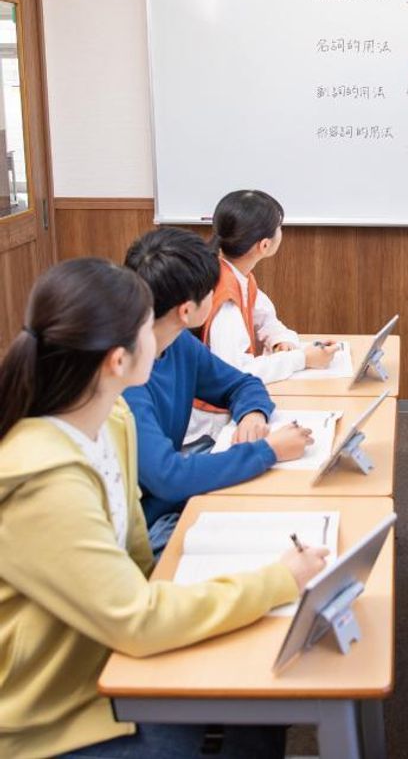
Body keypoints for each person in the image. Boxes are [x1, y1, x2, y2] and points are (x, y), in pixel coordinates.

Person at [0, 258, 326, 758]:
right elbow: (138, 620)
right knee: (253, 706)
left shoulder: (111, 420)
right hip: (58, 718)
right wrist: (277, 580)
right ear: (118, 361)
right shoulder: (45, 480)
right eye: (146, 327)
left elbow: (136, 568)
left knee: (262, 705)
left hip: (112, 662)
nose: (160, 337)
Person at [123, 227, 313, 555]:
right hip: (144, 523)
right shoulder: (126, 378)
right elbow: (168, 478)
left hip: (172, 494)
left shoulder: (177, 342)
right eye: (211, 290)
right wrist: (268, 451)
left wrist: (252, 413)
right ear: (187, 310)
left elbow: (242, 383)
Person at [187, 189, 340, 439]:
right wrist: (302, 358)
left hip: (231, 408)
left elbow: (267, 320)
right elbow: (238, 373)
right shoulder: (225, 299)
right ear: (265, 245)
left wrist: (281, 341)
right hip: (214, 424)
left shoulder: (236, 273)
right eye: (279, 227)